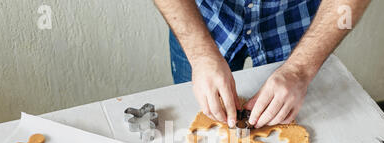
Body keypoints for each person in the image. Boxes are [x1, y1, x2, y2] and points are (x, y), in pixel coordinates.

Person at [154, 0, 370, 128]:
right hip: (202, 19)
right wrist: (200, 54)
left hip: (297, 22)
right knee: (196, 120)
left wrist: (300, 71)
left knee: (299, 122)